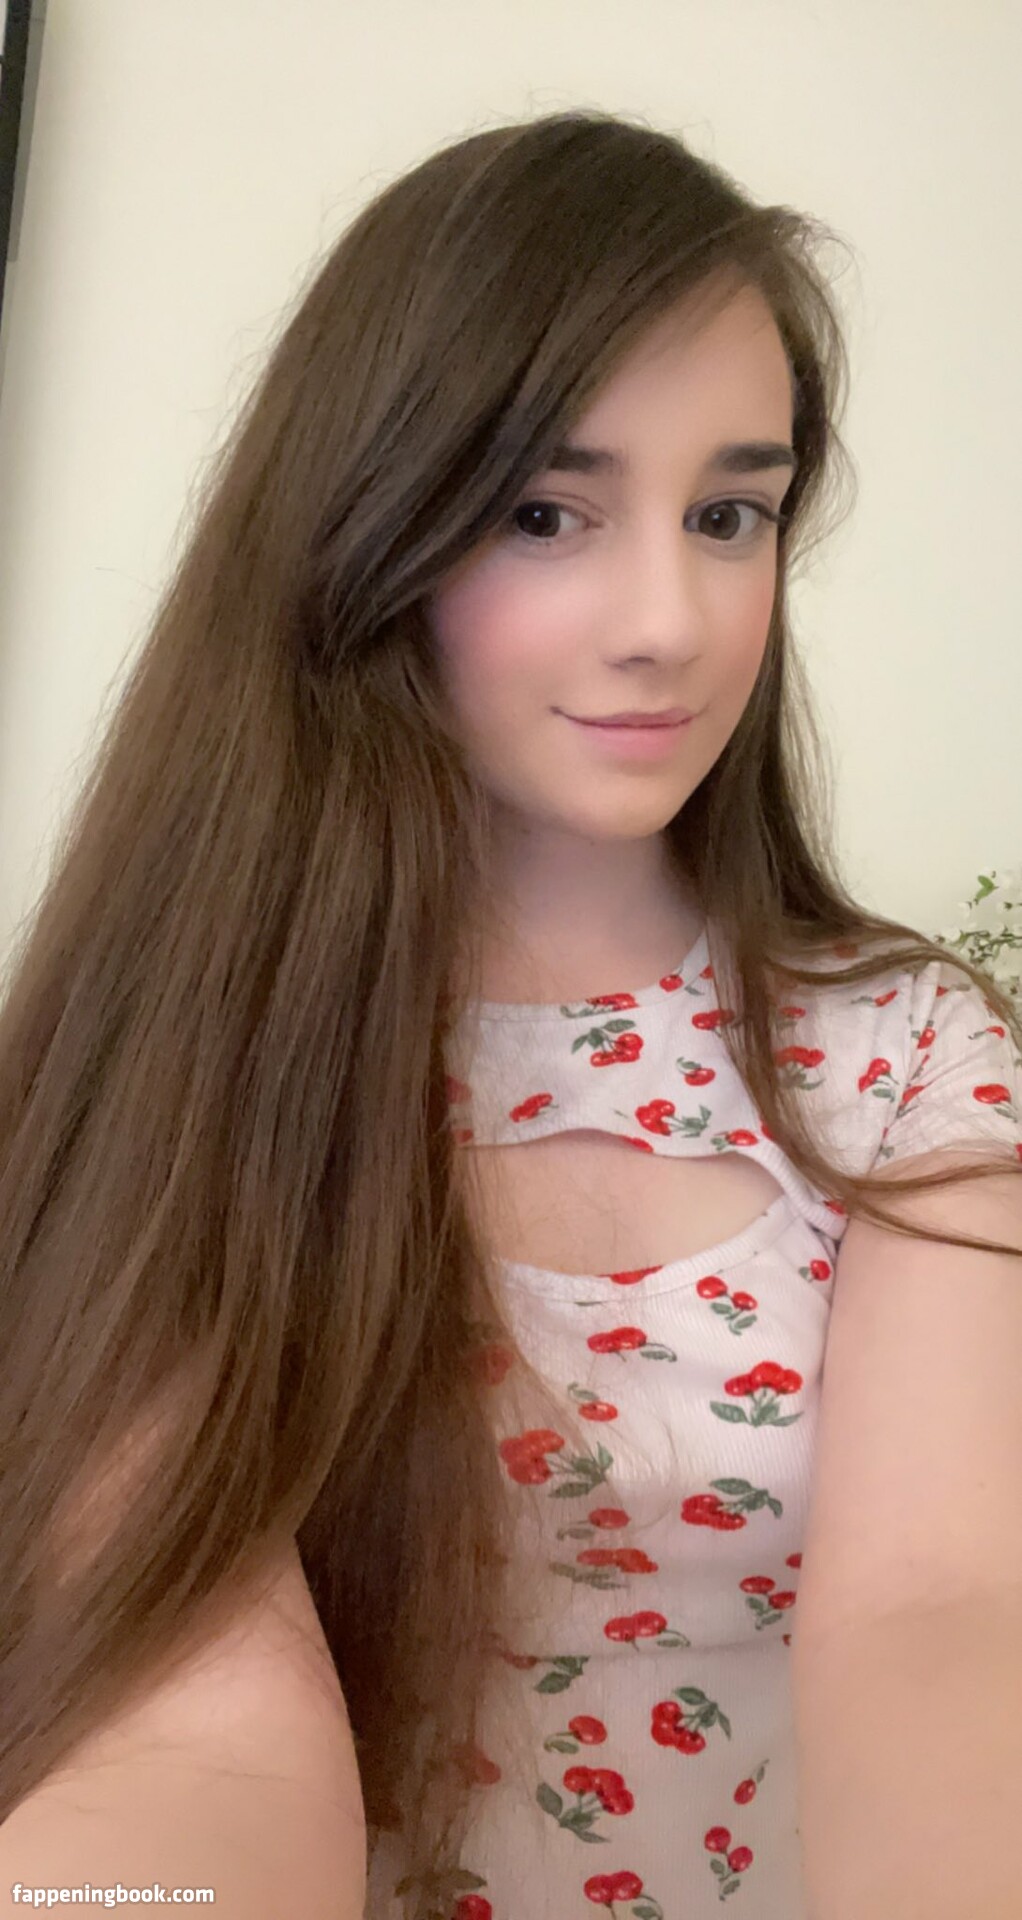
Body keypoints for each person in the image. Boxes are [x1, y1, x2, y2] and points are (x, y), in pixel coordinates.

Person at [0, 108, 1019, 1920]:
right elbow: (186, 1731)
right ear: (364, 532)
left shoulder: (907, 1055)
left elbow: (942, 1614)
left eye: (729, 514)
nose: (670, 621)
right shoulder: (188, 1057)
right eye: (547, 514)